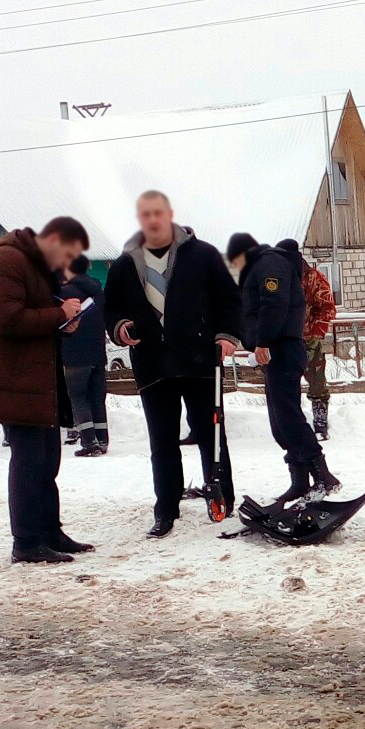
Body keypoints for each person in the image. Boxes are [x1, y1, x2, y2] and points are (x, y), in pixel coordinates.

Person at [102, 190, 241, 538]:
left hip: (199, 361)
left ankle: (221, 496)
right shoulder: (124, 263)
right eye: (145, 214)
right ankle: (165, 509)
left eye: (157, 213)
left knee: (211, 434)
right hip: (153, 364)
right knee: (161, 442)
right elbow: (111, 308)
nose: (152, 220)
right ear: (140, 219)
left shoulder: (203, 255)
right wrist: (119, 328)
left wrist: (226, 335)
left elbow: (229, 299)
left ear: (169, 215)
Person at [0, 216, 92, 564]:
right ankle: (26, 541)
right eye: (67, 254)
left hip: (37, 380)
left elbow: (33, 316)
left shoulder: (33, 265)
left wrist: (64, 324)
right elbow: (7, 319)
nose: (66, 264)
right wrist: (58, 313)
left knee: (47, 461)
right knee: (28, 463)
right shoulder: (7, 260)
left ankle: (48, 531)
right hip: (17, 381)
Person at [224, 233, 340, 502]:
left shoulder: (269, 263)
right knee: (280, 421)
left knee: (288, 417)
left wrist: (263, 342)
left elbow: (273, 304)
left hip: (281, 349)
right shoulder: (267, 264)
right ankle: (299, 481)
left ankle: (323, 475)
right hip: (277, 350)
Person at [57, 254, 109, 457]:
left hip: (74, 353)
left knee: (78, 396)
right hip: (98, 352)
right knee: (97, 397)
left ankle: (88, 442)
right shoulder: (97, 291)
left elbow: (62, 323)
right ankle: (102, 438)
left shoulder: (65, 293)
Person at [298, 250, 337, 440]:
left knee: (317, 381)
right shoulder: (278, 277)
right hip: (284, 340)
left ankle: (320, 423)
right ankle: (291, 422)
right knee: (285, 385)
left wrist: (315, 332)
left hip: (309, 339)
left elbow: (328, 308)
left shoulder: (313, 278)